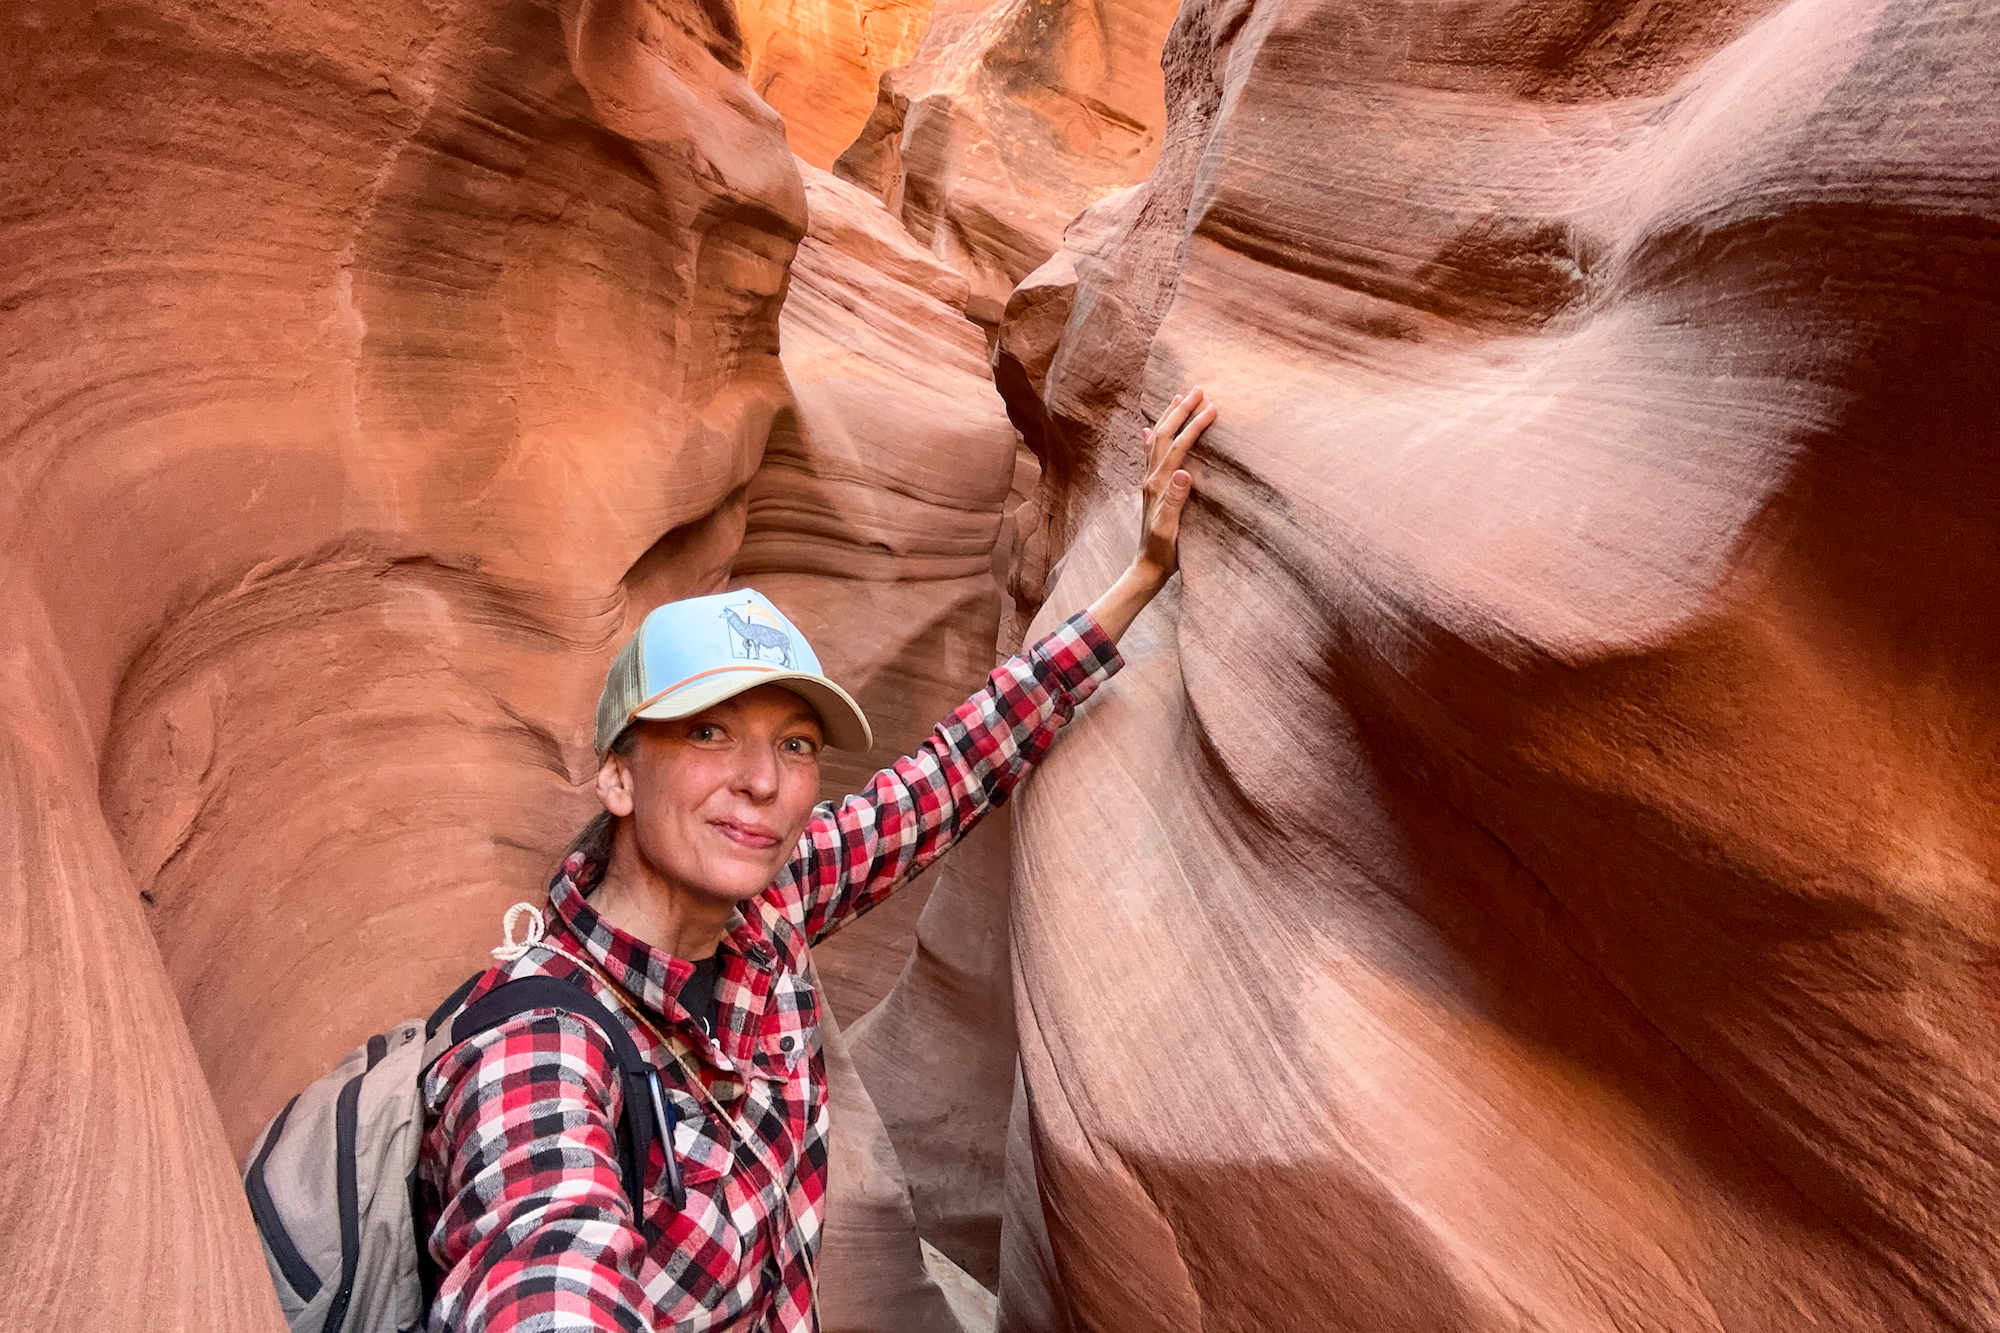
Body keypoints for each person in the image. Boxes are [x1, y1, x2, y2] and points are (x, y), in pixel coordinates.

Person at [416, 388, 1218, 1333]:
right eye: (710, 732)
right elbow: (546, 1268)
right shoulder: (537, 1044)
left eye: (796, 745)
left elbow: (944, 777)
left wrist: (1140, 574)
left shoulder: (770, 910)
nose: (763, 781)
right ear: (619, 780)